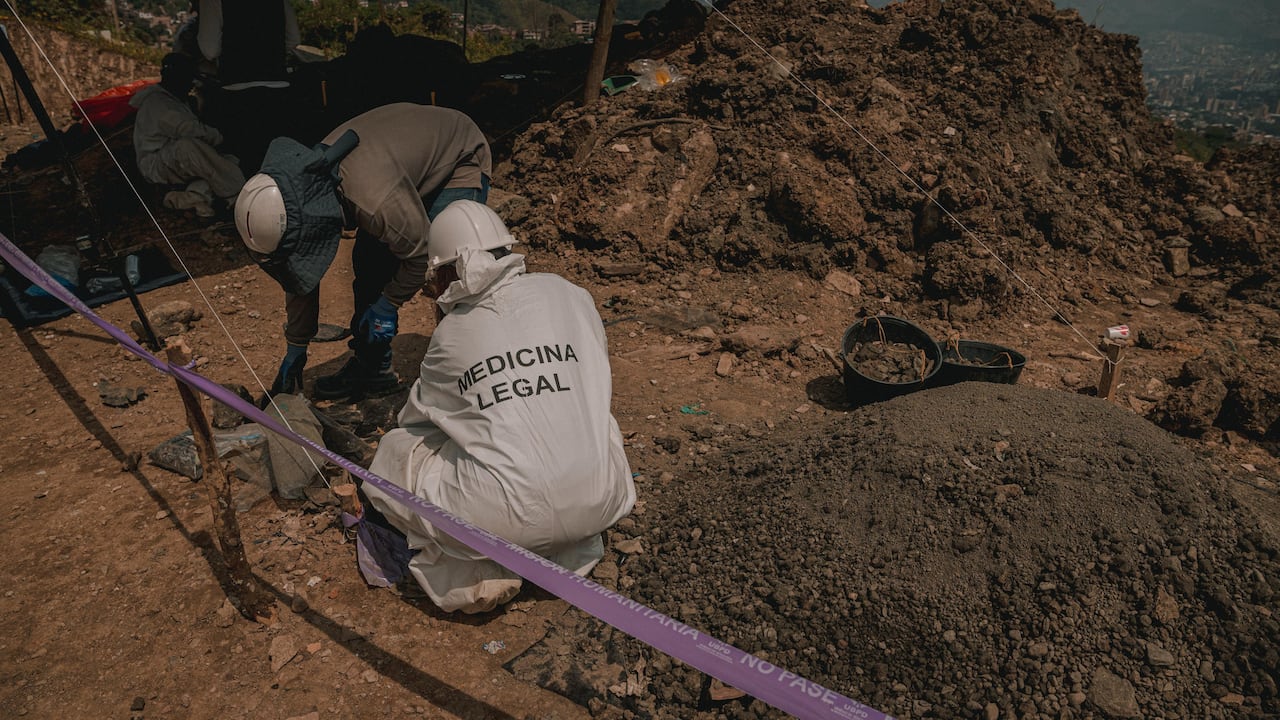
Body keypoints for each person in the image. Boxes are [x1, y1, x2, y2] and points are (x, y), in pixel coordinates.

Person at [360, 200, 636, 613]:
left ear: (448, 272)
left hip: (496, 522)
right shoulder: (571, 294)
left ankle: (478, 571)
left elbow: (418, 421)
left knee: (396, 451)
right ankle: (566, 550)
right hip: (602, 500)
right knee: (592, 413)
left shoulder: (450, 336)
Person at [234, 103, 492, 401]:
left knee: (452, 273)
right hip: (398, 164)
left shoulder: (373, 201)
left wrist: (389, 303)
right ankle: (373, 372)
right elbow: (300, 273)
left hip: (457, 155)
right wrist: (296, 345)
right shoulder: (304, 187)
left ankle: (467, 377)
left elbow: (423, 254)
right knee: (370, 265)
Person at [129, 52, 245, 218]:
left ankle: (192, 197)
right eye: (187, 78)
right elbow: (190, 130)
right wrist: (220, 136)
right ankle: (237, 196)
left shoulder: (174, 99)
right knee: (188, 148)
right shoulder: (159, 103)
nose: (190, 83)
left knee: (228, 160)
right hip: (155, 164)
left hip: (168, 159)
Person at [196, 0, 302, 174]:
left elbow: (210, 49)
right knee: (279, 169)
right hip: (278, 92)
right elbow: (294, 39)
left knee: (243, 170)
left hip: (238, 97)